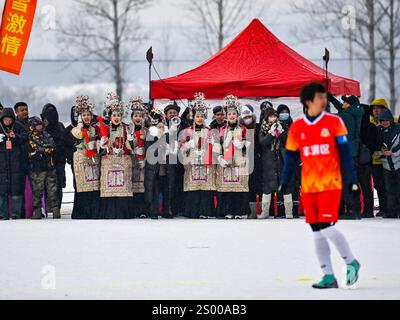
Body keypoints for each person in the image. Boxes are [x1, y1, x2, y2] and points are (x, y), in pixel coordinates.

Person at [280, 82, 361, 289]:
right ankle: (328, 275)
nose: (324, 101)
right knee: (316, 231)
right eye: (320, 98)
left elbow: (345, 155)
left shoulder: (335, 123)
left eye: (325, 97)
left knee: (326, 227)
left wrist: (351, 179)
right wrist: (284, 182)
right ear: (309, 102)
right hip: (309, 186)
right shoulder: (297, 127)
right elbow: (290, 157)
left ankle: (351, 261)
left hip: (330, 184)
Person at [180, 93, 216, 219]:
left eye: (201, 116)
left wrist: (212, 147)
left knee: (206, 190)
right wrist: (188, 145)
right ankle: (192, 212)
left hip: (206, 164)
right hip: (192, 163)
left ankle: (206, 211)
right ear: (193, 117)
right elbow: (180, 148)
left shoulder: (210, 131)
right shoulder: (186, 131)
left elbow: (217, 149)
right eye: (197, 116)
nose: (200, 118)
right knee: (193, 189)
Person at [98, 92, 134, 219]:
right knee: (110, 189)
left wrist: (129, 143)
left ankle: (123, 213)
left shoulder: (126, 128)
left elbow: (131, 147)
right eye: (114, 115)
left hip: (123, 160)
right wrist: (102, 145)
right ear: (110, 116)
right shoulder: (105, 128)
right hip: (109, 161)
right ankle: (109, 213)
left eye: (119, 115)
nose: (117, 118)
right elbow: (100, 148)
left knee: (122, 189)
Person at [328, 94, 364, 219]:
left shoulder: (346, 115)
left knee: (346, 182)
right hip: (353, 152)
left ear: (349, 104)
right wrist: (331, 98)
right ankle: (356, 209)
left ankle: (351, 210)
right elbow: (341, 108)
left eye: (345, 102)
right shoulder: (355, 112)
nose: (342, 103)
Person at [215, 95, 250, 219]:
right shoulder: (221, 130)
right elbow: (217, 145)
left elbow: (250, 144)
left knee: (239, 188)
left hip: (240, 161)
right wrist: (219, 157)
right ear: (226, 115)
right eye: (229, 114)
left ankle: (240, 211)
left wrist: (243, 144)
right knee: (227, 188)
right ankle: (227, 211)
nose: (231, 116)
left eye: (234, 113)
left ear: (238, 114)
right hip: (226, 161)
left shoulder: (244, 129)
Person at [70, 96, 101, 220]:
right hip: (82, 158)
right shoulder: (75, 129)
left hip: (93, 158)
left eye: (88, 114)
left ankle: (94, 212)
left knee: (94, 186)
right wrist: (79, 127)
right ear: (80, 117)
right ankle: (82, 213)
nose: (87, 117)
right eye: (84, 115)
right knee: (83, 187)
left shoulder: (95, 128)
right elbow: (77, 137)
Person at [27, 116, 59, 220]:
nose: (40, 127)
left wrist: (44, 150)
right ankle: (37, 211)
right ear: (32, 127)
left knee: (52, 189)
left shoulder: (46, 134)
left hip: (50, 165)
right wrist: (44, 150)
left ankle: (55, 211)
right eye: (37, 125)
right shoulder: (30, 137)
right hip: (37, 168)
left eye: (41, 125)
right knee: (37, 190)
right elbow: (35, 149)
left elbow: (53, 146)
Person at [0, 108, 27, 220]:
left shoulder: (19, 126)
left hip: (16, 162)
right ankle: (3, 214)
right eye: (5, 119)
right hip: (2, 163)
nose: (7, 121)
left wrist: (16, 137)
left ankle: (16, 214)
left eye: (9, 119)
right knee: (2, 190)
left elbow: (26, 138)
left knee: (16, 189)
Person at [370, 98, 394, 217]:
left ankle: (392, 208)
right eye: (374, 109)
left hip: (391, 160)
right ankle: (384, 207)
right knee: (378, 185)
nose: (376, 111)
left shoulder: (392, 121)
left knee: (390, 185)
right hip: (375, 160)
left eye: (378, 109)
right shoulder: (371, 122)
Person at [259, 107, 285, 219]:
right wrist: (271, 133)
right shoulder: (263, 129)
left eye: (274, 116)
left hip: (279, 160)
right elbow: (262, 142)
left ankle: (282, 212)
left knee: (280, 185)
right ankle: (265, 212)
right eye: (271, 116)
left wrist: (281, 132)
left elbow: (287, 141)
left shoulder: (281, 127)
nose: (273, 118)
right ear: (266, 118)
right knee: (267, 186)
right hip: (267, 162)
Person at [162, 102, 187, 218]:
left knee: (181, 184)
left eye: (174, 113)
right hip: (168, 162)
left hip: (182, 160)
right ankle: (169, 209)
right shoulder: (162, 126)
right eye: (170, 113)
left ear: (178, 114)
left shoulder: (184, 125)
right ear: (166, 115)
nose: (172, 115)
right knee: (169, 185)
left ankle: (181, 208)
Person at [41, 103, 68, 209]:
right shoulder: (41, 127)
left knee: (58, 184)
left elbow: (65, 142)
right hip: (44, 161)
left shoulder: (60, 126)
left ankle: (56, 207)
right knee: (45, 185)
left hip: (59, 161)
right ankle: (47, 207)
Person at [277, 104, 301, 218]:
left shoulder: (294, 125)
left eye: (286, 111)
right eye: (282, 112)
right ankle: (282, 211)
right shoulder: (274, 125)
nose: (284, 114)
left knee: (294, 184)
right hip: (279, 159)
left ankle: (294, 211)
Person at [376, 109, 400, 219]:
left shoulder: (398, 128)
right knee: (389, 189)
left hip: (398, 162)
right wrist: (381, 150)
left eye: (386, 120)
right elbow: (377, 144)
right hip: (386, 164)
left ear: (390, 119)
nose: (384, 122)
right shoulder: (379, 130)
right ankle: (392, 211)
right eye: (382, 121)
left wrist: (393, 152)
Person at [144, 109, 168, 220]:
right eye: (159, 127)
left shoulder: (168, 138)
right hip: (154, 170)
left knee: (167, 190)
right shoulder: (150, 138)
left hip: (166, 170)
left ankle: (166, 211)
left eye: (162, 127)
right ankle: (153, 211)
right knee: (154, 191)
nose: (161, 129)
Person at [240, 104, 262, 219]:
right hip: (244, 160)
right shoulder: (240, 129)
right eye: (245, 116)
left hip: (257, 160)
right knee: (248, 185)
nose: (247, 118)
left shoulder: (258, 127)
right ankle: (251, 212)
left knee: (258, 184)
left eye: (249, 115)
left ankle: (264, 211)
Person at [128, 97, 148, 219]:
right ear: (131, 117)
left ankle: (143, 210)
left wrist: (145, 154)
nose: (138, 118)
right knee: (132, 187)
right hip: (131, 161)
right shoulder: (127, 130)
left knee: (143, 187)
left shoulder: (146, 131)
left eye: (140, 116)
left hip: (144, 161)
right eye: (136, 116)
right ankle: (133, 210)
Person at [14, 102, 31, 219]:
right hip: (17, 161)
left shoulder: (33, 123)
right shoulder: (13, 125)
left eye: (26, 109)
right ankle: (20, 212)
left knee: (33, 187)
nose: (25, 112)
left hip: (31, 160)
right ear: (16, 112)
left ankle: (32, 210)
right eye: (22, 110)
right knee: (19, 187)